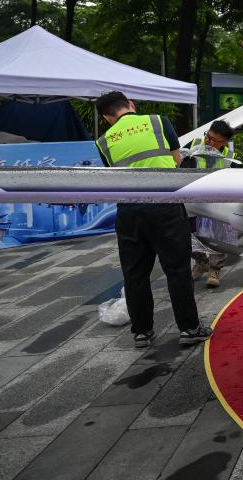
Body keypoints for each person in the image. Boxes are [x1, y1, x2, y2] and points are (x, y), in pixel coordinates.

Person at [94, 91, 212, 349]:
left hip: (129, 211)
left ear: (106, 118)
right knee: (177, 270)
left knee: (135, 274)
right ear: (131, 105)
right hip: (165, 206)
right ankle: (189, 329)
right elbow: (177, 160)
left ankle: (142, 332)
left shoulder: (102, 142)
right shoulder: (158, 122)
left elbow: (113, 174)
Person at [186, 120, 236, 288]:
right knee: (189, 234)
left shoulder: (229, 155)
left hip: (215, 201)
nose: (209, 141)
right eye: (208, 136)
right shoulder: (194, 145)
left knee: (218, 236)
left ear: (224, 142)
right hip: (193, 200)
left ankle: (215, 269)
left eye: (214, 140)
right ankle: (201, 262)